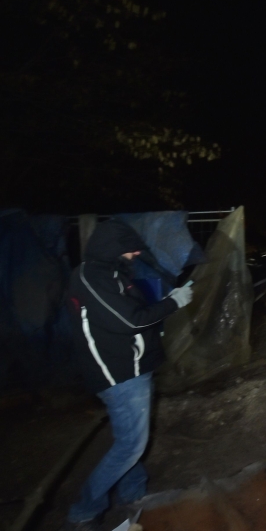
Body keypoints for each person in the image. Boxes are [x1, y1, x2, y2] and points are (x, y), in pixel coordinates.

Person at [64, 219, 193, 530]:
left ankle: (133, 494)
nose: (136, 254)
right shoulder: (91, 276)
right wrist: (173, 303)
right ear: (113, 247)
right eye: (131, 249)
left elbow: (131, 314)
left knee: (130, 439)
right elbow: (130, 321)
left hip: (130, 369)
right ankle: (84, 512)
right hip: (119, 375)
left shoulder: (111, 273)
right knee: (131, 445)